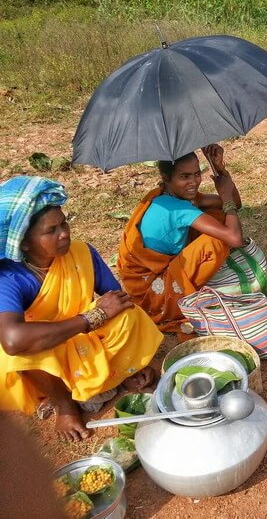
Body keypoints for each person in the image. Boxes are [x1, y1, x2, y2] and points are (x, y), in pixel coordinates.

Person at [0, 176, 162, 441]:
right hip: (48, 357)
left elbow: (116, 299)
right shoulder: (9, 277)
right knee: (15, 353)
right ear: (24, 242)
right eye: (50, 231)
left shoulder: (81, 253)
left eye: (63, 223)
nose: (64, 233)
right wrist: (91, 317)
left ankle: (116, 377)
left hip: (83, 343)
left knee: (129, 317)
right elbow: (12, 339)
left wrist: (110, 319)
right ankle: (64, 405)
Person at [118, 144, 244, 333]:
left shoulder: (169, 196)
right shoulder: (177, 208)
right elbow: (234, 238)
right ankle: (179, 296)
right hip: (151, 291)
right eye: (184, 177)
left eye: (196, 174)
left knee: (216, 217)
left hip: (156, 272)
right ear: (166, 178)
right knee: (216, 241)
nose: (194, 182)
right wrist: (225, 195)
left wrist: (220, 169)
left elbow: (236, 204)